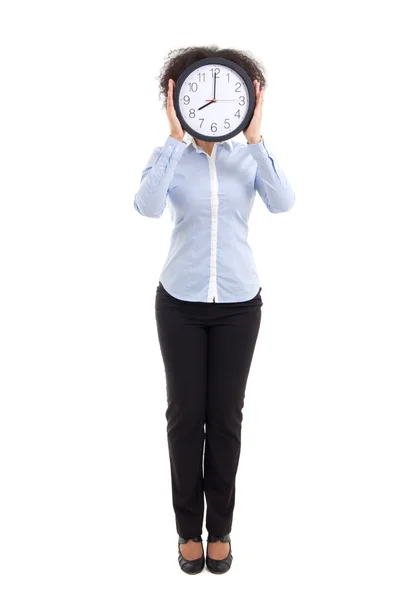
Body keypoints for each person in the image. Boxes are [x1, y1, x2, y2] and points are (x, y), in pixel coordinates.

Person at [133, 45, 296, 575]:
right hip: (178, 304)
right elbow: (147, 206)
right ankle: (186, 531)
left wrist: (256, 135)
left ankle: (220, 529)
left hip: (238, 305)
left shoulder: (248, 157)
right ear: (178, 97)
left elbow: (283, 202)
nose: (213, 102)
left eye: (232, 92)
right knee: (184, 418)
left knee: (225, 419)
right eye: (196, 92)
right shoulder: (171, 159)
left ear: (248, 98)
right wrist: (173, 138)